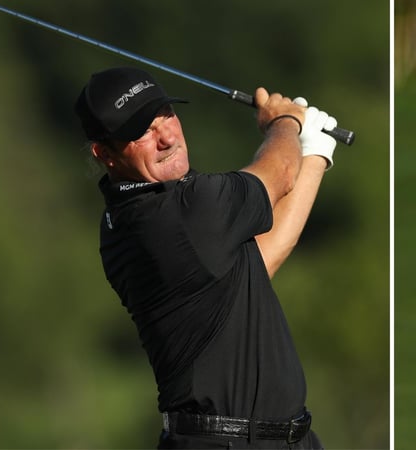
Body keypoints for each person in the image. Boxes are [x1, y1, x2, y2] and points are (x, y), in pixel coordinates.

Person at [74, 66, 339, 449]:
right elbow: (279, 171)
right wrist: (284, 122)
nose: (166, 136)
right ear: (106, 154)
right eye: (141, 130)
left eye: (165, 114)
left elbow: (259, 263)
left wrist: (313, 155)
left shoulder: (133, 216)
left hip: (287, 439)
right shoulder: (177, 214)